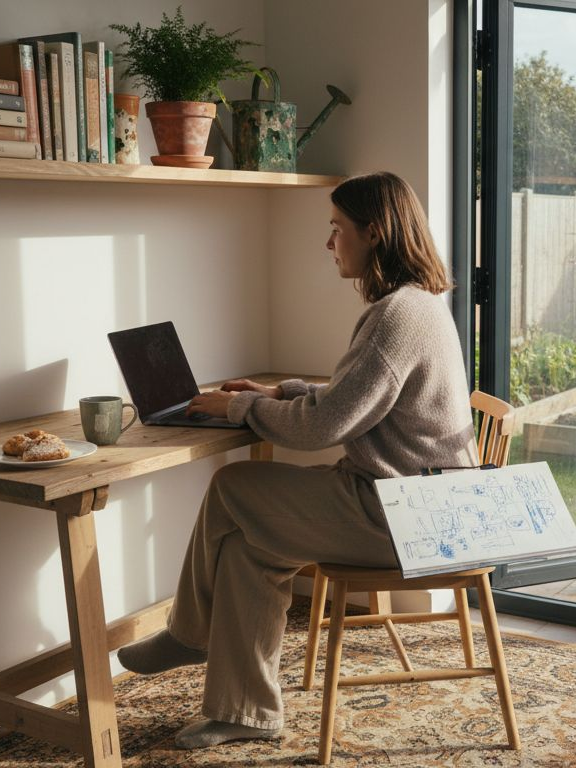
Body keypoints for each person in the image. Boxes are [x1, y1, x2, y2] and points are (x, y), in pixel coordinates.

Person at [116, 171, 478, 749]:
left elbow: (323, 427)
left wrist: (237, 408)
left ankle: (188, 634)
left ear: (374, 231)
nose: (329, 242)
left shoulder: (394, 317)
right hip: (423, 505)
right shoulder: (417, 306)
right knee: (243, 548)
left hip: (402, 517)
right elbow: (353, 395)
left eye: (337, 229)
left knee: (233, 485)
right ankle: (245, 712)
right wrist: (274, 393)